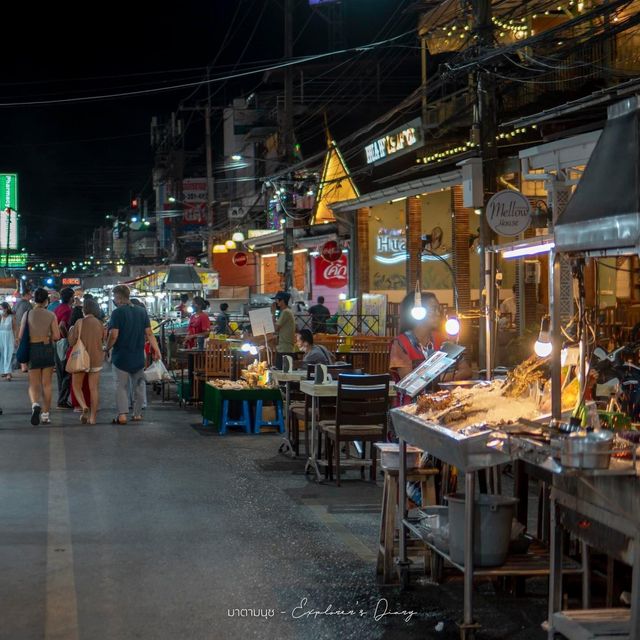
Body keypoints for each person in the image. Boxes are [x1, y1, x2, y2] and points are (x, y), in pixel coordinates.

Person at [105, 284, 161, 425]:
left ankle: (122, 415)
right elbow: (149, 333)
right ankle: (137, 414)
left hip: (121, 356)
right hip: (137, 356)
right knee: (138, 385)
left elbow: (114, 335)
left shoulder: (117, 313)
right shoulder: (142, 312)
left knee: (121, 386)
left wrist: (107, 348)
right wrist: (157, 350)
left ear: (118, 297)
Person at [19, 288, 60, 425]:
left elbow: (20, 336)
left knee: (34, 384)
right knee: (47, 384)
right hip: (47, 348)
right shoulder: (51, 315)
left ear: (34, 299)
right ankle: (46, 415)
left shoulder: (27, 314)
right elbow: (56, 336)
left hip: (33, 349)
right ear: (46, 300)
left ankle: (35, 404)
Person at [390, 292, 444, 382]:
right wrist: (443, 377)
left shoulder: (442, 339)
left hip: (442, 395)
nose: (438, 314)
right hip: (413, 396)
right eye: (434, 309)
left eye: (439, 309)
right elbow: (409, 382)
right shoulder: (400, 343)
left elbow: (466, 370)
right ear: (418, 312)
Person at [68, 298, 105, 425]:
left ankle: (84, 406)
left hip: (81, 359)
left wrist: (71, 331)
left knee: (76, 386)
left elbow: (71, 342)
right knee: (94, 389)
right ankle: (93, 418)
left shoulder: (79, 322)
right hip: (96, 359)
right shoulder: (100, 323)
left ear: (84, 309)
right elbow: (103, 340)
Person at [53, 287, 75, 408]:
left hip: (56, 342)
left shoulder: (58, 308)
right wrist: (68, 338)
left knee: (61, 373)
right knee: (67, 372)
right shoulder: (67, 310)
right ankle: (62, 399)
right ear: (71, 298)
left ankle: (62, 399)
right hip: (63, 342)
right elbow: (62, 325)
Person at [272, 291, 295, 370]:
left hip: (285, 348)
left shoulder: (286, 312)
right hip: (284, 347)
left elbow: (275, 328)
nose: (276, 302)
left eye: (277, 300)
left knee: (281, 372)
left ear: (282, 301)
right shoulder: (286, 312)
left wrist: (273, 312)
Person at [0, 302, 18, 380]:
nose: (2, 310)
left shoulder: (12, 317)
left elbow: (15, 328)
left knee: (9, 354)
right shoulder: (0, 316)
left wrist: (16, 339)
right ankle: (4, 370)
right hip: (1, 336)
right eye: (0, 308)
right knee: (2, 354)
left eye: (2, 308)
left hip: (9, 336)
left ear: (7, 308)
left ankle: (8, 372)